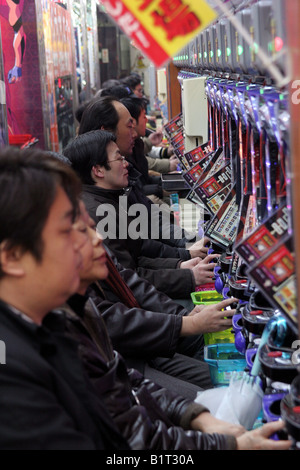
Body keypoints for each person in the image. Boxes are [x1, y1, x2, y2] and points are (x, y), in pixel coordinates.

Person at [63, 201, 292, 451]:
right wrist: (226, 444)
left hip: (141, 352)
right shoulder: (38, 346)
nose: (98, 237)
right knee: (212, 389)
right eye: (79, 231)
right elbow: (135, 437)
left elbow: (123, 379)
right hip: (139, 349)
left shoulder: (74, 309)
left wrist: (199, 417)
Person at [0, 146, 129, 450]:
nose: (92, 239)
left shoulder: (48, 322)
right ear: (13, 257)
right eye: (68, 229)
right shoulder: (11, 374)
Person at [63, 129, 216, 301]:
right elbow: (129, 279)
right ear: (98, 170)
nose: (125, 163)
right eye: (119, 158)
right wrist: (185, 318)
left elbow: (136, 256)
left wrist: (181, 262)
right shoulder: (98, 212)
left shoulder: (110, 197)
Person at [76, 94, 206, 249]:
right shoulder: (98, 202)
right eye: (129, 126)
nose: (136, 134)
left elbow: (148, 218)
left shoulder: (120, 169)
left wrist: (188, 248)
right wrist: (185, 258)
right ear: (106, 132)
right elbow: (137, 256)